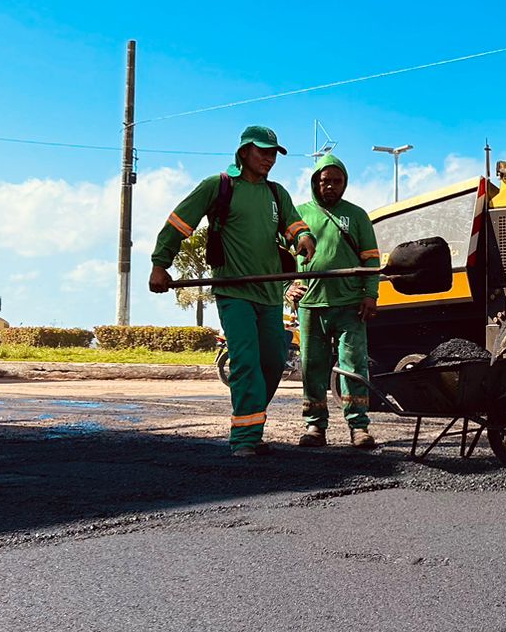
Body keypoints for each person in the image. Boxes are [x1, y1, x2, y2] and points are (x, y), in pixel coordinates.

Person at [149, 126, 316, 458]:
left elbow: (294, 225)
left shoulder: (276, 193)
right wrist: (160, 263)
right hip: (234, 291)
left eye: (273, 153)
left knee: (272, 363)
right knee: (245, 363)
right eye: (263, 152)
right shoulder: (219, 186)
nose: (269, 158)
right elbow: (180, 223)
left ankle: (251, 424)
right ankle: (245, 438)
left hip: (269, 293)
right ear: (244, 152)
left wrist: (303, 238)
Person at [292, 153, 380, 449]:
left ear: (345, 183)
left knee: (354, 366)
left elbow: (371, 259)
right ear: (315, 182)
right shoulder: (298, 214)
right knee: (312, 368)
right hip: (310, 306)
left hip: (350, 305)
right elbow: (279, 257)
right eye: (324, 181)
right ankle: (315, 427)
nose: (329, 186)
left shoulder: (356, 215)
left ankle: (359, 428)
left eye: (336, 181)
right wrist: (286, 288)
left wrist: (370, 294)